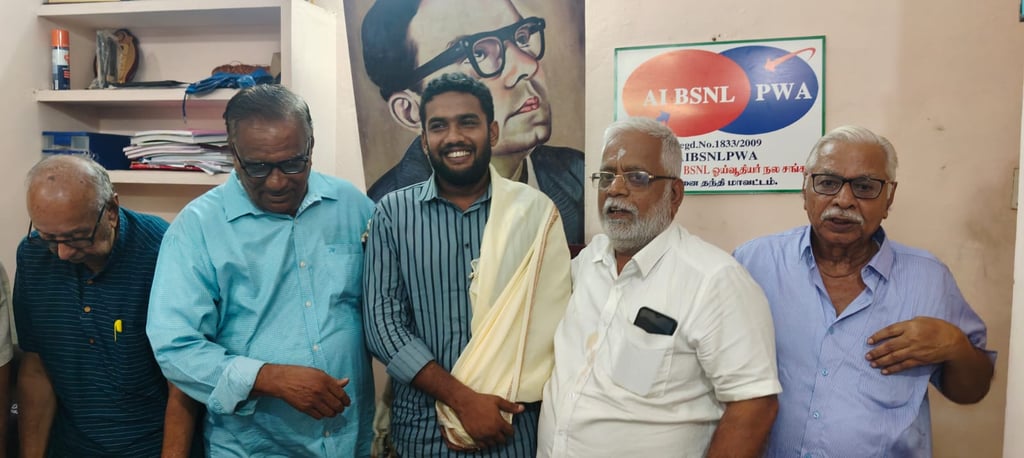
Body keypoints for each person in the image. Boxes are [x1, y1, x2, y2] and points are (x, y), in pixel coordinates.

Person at [733, 125, 996, 457]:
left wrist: (955, 346)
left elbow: (972, 391)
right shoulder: (753, 263)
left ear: (889, 198)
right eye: (827, 183)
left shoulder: (930, 279)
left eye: (865, 187)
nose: (844, 200)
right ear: (805, 189)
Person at [146, 84, 375, 456]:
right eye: (258, 167)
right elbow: (175, 348)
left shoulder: (351, 205)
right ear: (233, 153)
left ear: (311, 146)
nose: (277, 181)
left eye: (293, 163)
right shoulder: (197, 227)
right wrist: (270, 378)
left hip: (349, 439)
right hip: (254, 445)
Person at [537, 117, 781, 457]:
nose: (615, 189)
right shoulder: (587, 263)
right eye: (606, 176)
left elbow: (754, 405)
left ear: (674, 194)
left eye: (637, 177)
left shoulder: (714, 280)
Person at [363, 72, 571, 457]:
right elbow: (382, 325)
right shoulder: (392, 213)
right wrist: (463, 400)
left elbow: (551, 324)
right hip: (422, 430)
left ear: (492, 132)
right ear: (423, 140)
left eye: (468, 123)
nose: (454, 137)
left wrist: (485, 407)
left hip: (511, 426)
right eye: (438, 126)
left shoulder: (535, 213)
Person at [14, 155, 198, 457]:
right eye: (49, 238)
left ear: (111, 210)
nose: (62, 253)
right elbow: (36, 368)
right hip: (71, 445)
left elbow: (182, 381)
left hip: (151, 445)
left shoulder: (162, 250)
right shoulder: (33, 254)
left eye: (76, 237)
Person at [360, 0, 585, 245]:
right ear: (410, 111)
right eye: (477, 54)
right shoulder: (384, 216)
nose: (527, 65)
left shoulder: (580, 177)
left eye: (521, 38)